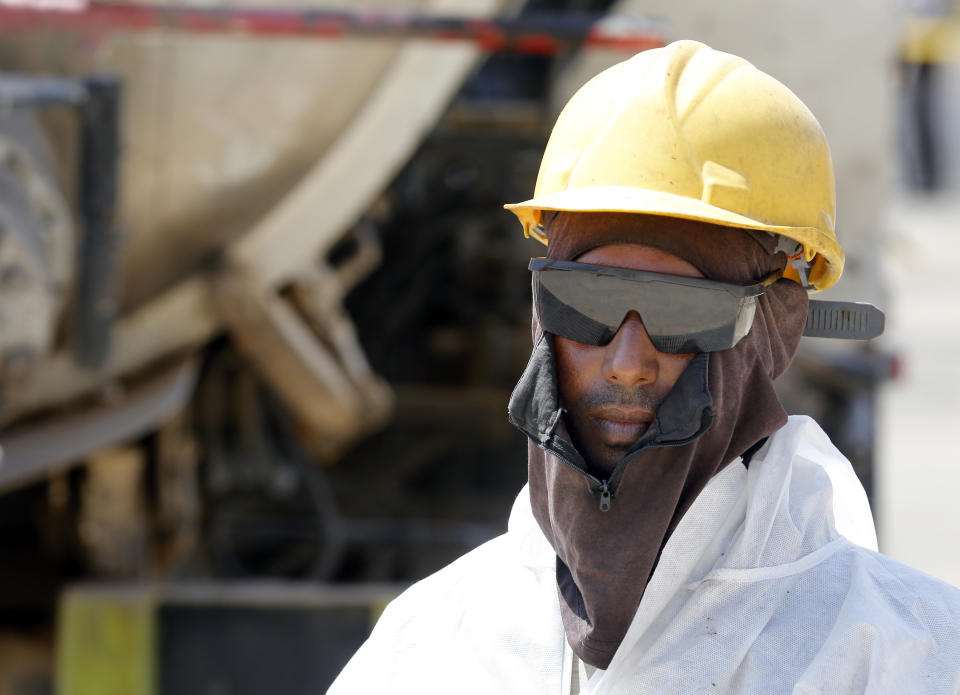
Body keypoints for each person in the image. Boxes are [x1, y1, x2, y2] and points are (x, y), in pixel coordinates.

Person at [328, 40, 960, 694]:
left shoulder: (902, 656)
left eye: (680, 311)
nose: (628, 364)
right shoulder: (432, 648)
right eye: (587, 300)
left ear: (775, 324)